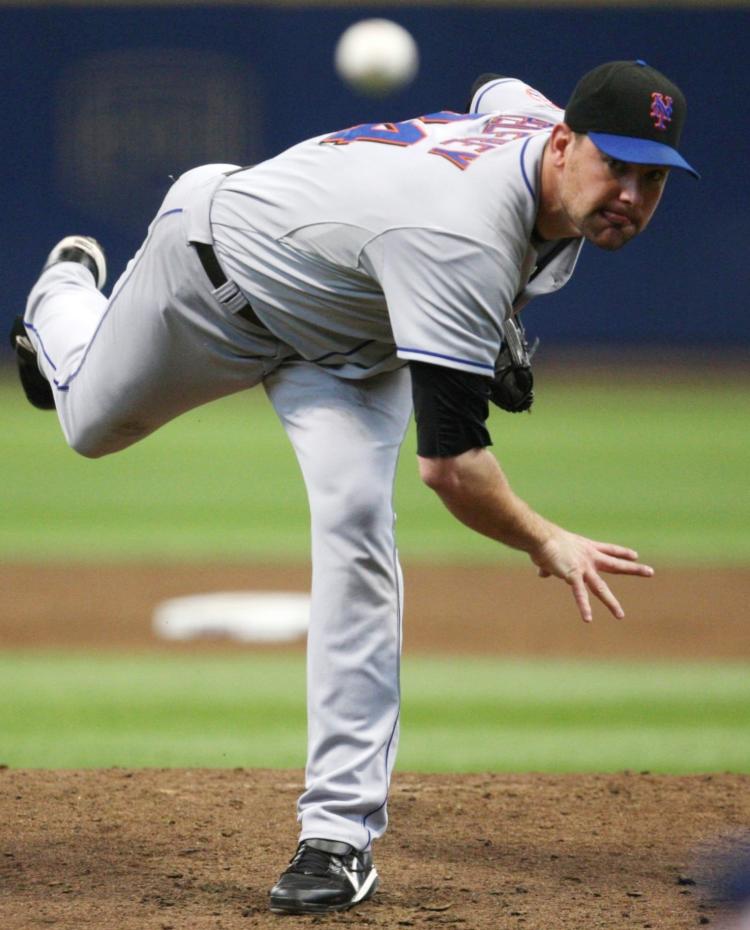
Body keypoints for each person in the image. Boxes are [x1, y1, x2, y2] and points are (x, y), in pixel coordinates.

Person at [9, 59, 698, 915]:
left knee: (360, 527)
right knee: (85, 425)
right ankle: (64, 294)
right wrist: (543, 538)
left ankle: (336, 836)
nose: (630, 192)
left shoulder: (539, 130)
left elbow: (497, 88)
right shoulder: (462, 236)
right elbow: (452, 467)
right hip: (216, 278)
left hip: (350, 344)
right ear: (563, 143)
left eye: (652, 177)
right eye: (614, 165)